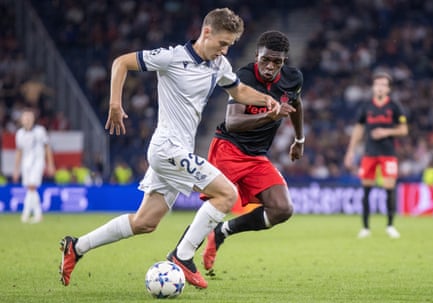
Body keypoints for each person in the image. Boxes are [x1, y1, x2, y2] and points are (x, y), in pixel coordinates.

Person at [59, 8, 281, 289]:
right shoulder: (172, 57)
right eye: (222, 43)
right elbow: (121, 63)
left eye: (230, 45)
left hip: (179, 151)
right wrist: (115, 103)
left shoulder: (218, 65)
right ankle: (183, 255)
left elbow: (238, 91)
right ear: (207, 32)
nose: (224, 50)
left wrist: (266, 100)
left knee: (145, 222)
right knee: (226, 194)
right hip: (167, 148)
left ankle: (76, 247)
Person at [174, 30, 303, 272]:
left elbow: (296, 102)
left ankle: (222, 232)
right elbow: (233, 122)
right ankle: (181, 257)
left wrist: (300, 138)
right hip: (229, 148)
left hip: (256, 155)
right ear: (257, 55)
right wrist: (271, 114)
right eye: (265, 59)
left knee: (282, 209)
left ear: (284, 61)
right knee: (216, 205)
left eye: (277, 61)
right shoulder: (244, 76)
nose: (270, 66)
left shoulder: (293, 78)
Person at [344, 71, 408, 239]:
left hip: (388, 154)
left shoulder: (394, 106)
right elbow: (358, 130)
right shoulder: (366, 106)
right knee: (366, 190)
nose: (379, 87)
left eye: (383, 85)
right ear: (373, 87)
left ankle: (390, 225)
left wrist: (386, 131)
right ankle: (365, 227)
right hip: (369, 153)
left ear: (388, 89)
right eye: (377, 84)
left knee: (389, 189)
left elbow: (404, 130)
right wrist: (350, 151)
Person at [13, 108, 55, 223]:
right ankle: (38, 214)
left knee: (32, 187)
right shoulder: (19, 134)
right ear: (21, 120)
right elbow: (19, 152)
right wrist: (16, 169)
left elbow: (47, 147)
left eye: (29, 118)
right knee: (30, 189)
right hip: (26, 164)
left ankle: (26, 214)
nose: (27, 120)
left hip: (38, 162)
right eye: (25, 118)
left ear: (33, 119)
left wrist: (50, 164)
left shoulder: (40, 131)